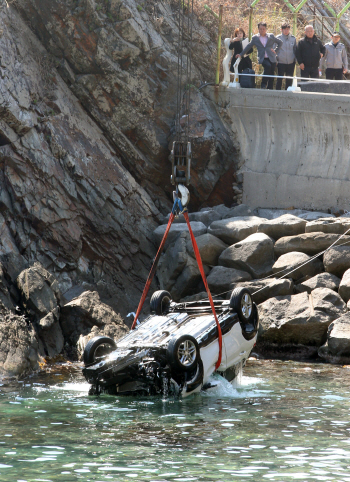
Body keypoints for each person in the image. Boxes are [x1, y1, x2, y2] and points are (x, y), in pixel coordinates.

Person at [237, 22, 283, 89]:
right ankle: (263, 84)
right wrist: (241, 54)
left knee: (271, 73)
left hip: (271, 57)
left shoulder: (271, 36)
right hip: (263, 58)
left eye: (263, 29)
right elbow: (248, 46)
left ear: (266, 29)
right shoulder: (255, 38)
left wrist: (275, 51)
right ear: (258, 29)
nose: (262, 30)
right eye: (260, 29)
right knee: (268, 66)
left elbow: (280, 42)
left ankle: (269, 88)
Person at [275, 22, 297, 90]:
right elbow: (274, 51)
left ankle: (287, 93)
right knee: (279, 79)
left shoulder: (293, 38)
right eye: (284, 29)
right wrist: (275, 60)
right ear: (281, 30)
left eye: (287, 29)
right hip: (281, 62)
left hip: (290, 63)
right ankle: (277, 93)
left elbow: (295, 50)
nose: (286, 31)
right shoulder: (277, 38)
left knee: (289, 80)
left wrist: (295, 60)